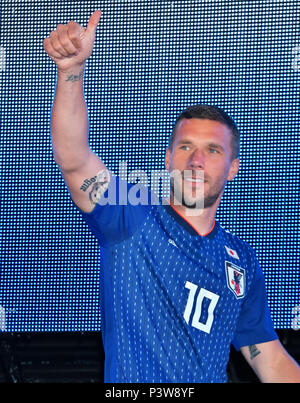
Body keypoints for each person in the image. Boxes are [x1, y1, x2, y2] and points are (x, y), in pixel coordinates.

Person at [44, 10, 300, 383]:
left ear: (233, 168)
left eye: (213, 150)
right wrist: (70, 73)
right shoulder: (133, 216)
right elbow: (75, 160)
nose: (196, 161)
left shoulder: (240, 261)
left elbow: (270, 360)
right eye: (185, 148)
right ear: (168, 158)